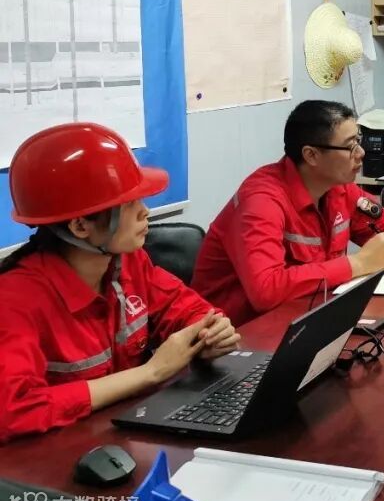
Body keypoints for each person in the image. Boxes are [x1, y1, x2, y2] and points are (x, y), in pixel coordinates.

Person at [0, 123, 240, 443]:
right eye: (129, 204)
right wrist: (150, 373)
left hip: (126, 434)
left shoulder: (127, 261)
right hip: (61, 453)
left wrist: (210, 334)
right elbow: (12, 411)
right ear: (80, 226)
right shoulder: (14, 301)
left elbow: (183, 306)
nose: (145, 212)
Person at [192, 100, 384, 325]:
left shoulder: (336, 187)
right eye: (350, 146)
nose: (361, 153)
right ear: (311, 155)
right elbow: (266, 290)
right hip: (239, 336)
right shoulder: (261, 202)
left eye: (359, 141)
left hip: (307, 316)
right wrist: (358, 264)